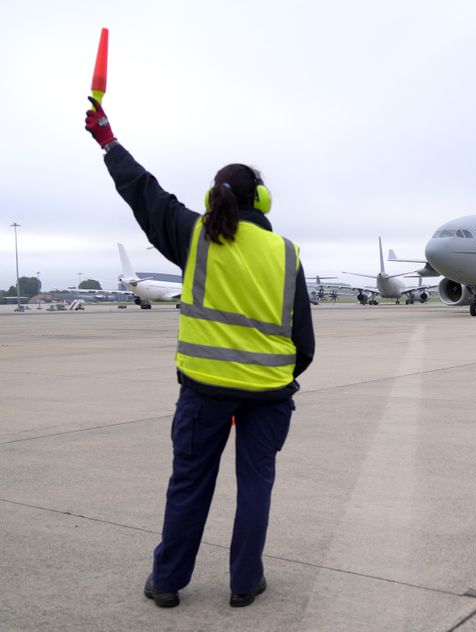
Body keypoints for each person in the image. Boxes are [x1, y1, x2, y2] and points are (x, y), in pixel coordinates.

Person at [84, 97, 315, 608]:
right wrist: (273, 378)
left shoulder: (196, 235)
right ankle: (243, 584)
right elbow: (306, 345)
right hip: (268, 396)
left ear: (215, 198)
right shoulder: (287, 253)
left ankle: (168, 583)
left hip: (204, 393)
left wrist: (107, 139)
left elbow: (144, 192)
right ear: (264, 200)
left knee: (189, 484)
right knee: (255, 486)